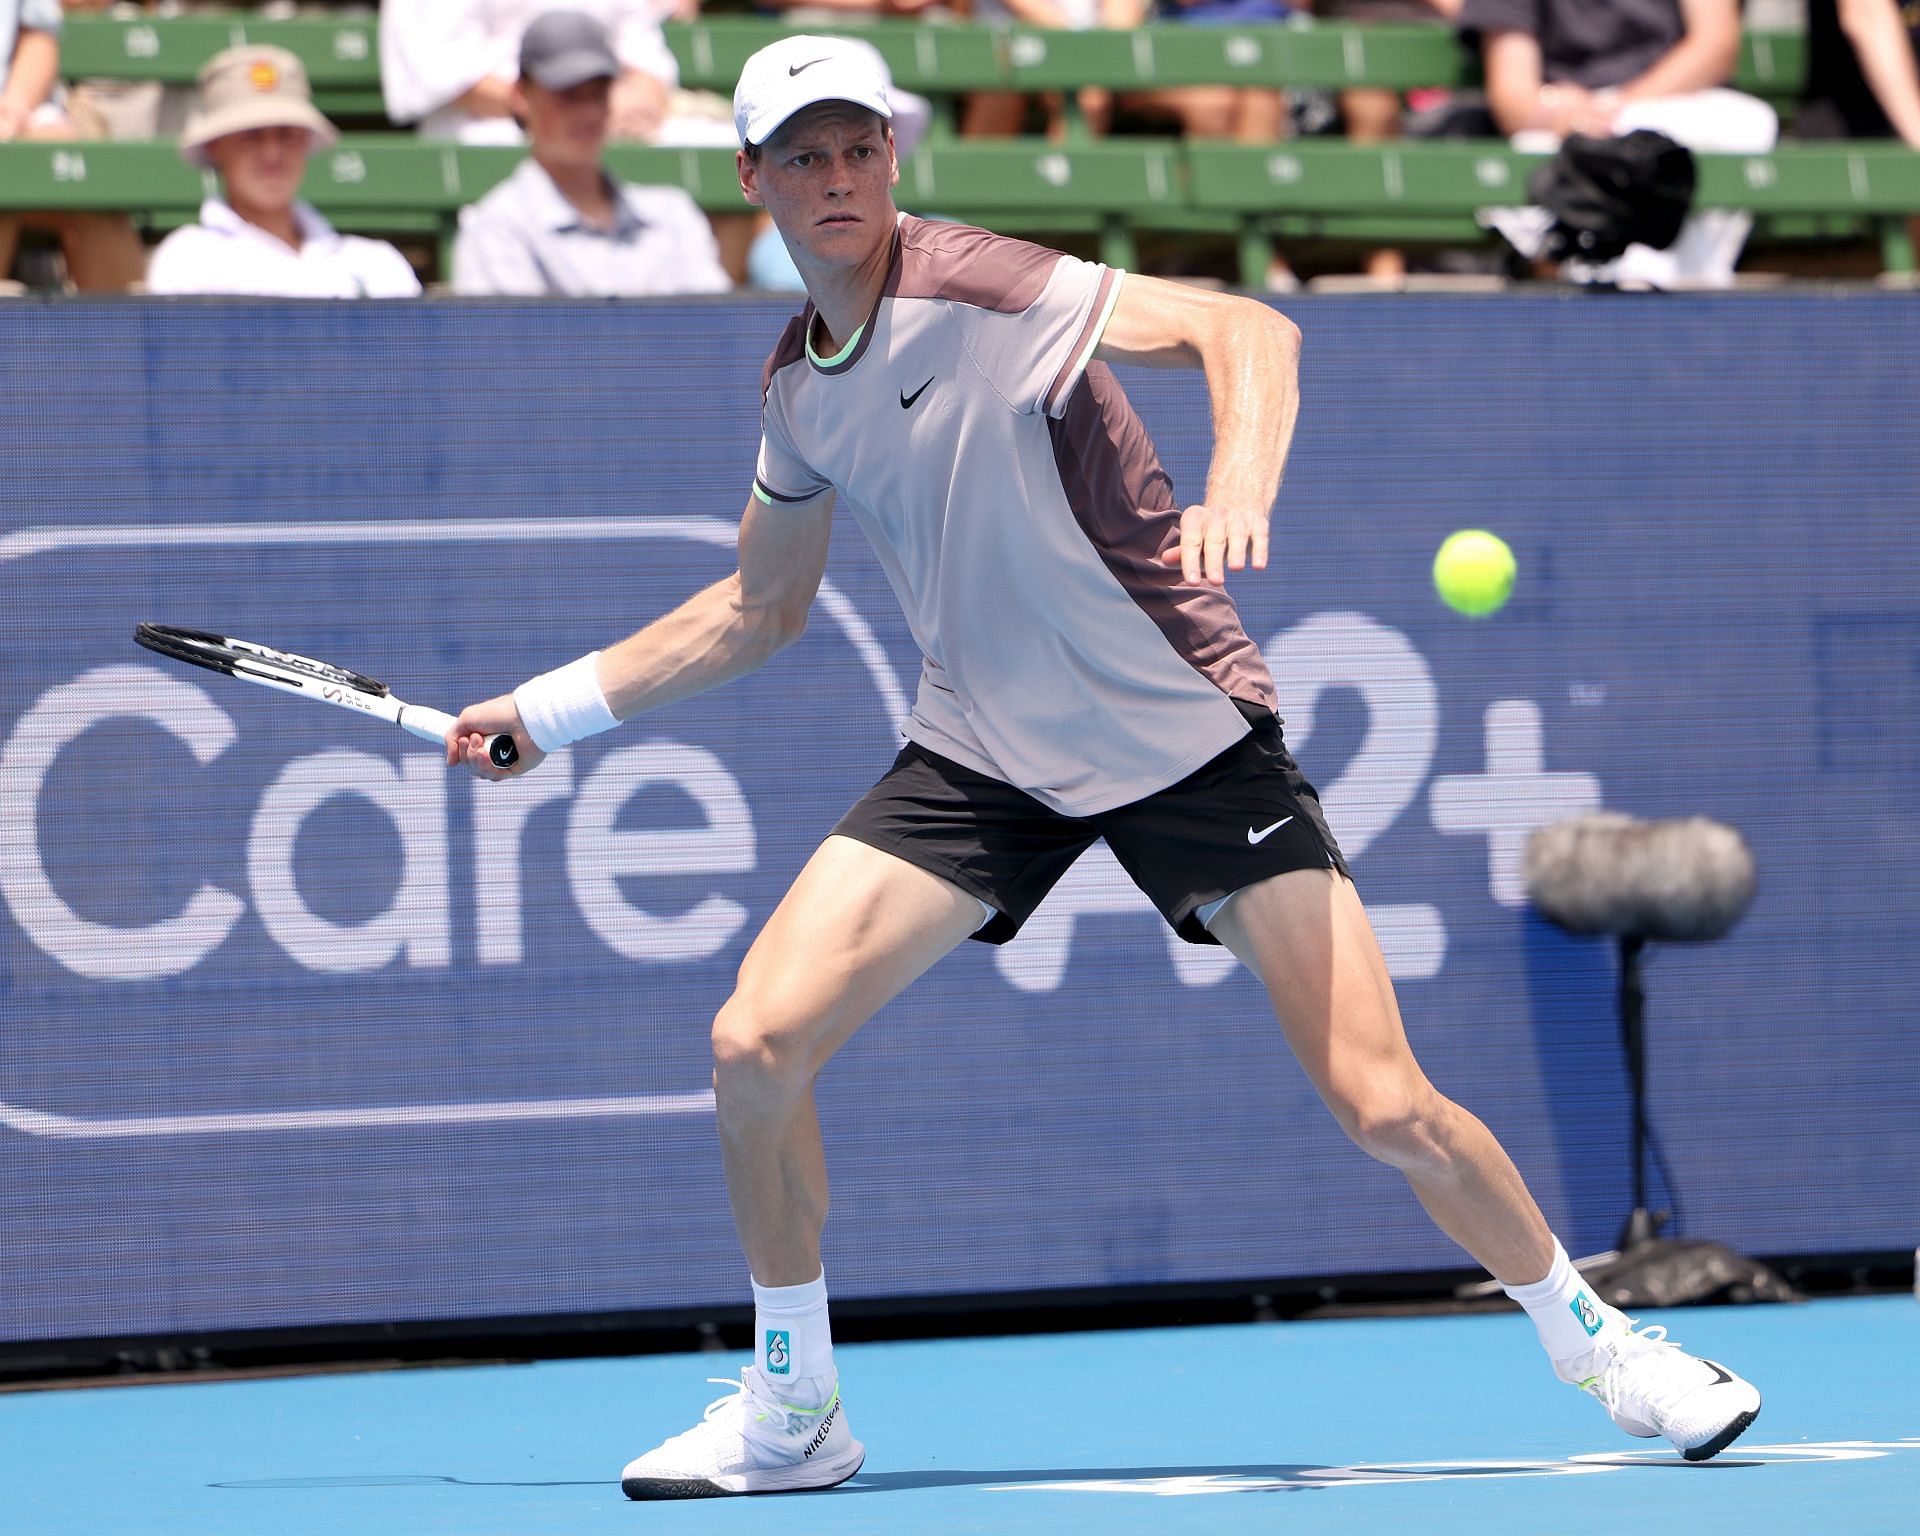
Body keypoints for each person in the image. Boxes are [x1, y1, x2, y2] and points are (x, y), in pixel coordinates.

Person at [447, 33, 1763, 1499]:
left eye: (859, 147)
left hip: (1182, 732)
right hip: (983, 755)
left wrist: (1237, 486)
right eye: (802, 156)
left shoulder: (986, 286)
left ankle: (1603, 1347)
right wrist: (546, 712)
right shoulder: (799, 394)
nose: (837, 177)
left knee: (1383, 1101)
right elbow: (757, 609)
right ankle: (793, 1410)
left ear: (895, 158)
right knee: (754, 1044)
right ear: (751, 178)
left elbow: (1251, 332)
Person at [1459, 0, 1777, 287]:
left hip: (1674, 109)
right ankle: (1644, 314)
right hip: (1568, 127)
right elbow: (1513, 96)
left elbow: (1716, 46)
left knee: (1746, 123)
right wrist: (1566, 113)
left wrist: (1619, 109)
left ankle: (1641, 311)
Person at [452, 10, 730, 297]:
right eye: (567, 94)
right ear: (522, 95)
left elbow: (717, 335)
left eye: (598, 92)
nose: (588, 112)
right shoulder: (496, 230)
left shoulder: (675, 216)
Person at [146, 46, 420, 298]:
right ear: (215, 146)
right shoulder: (188, 261)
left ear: (306, 141)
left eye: (287, 134)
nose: (272, 154)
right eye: (251, 136)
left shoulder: (379, 264)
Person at [380, 0, 678, 144]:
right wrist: (565, 110)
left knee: (715, 151)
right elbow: (440, 67)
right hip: (491, 127)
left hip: (613, 121)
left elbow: (645, 55)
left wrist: (637, 101)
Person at [0, 0, 145, 291]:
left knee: (83, 180)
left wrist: (13, 110)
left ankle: (127, 334)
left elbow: (38, 37)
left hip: (18, 121)